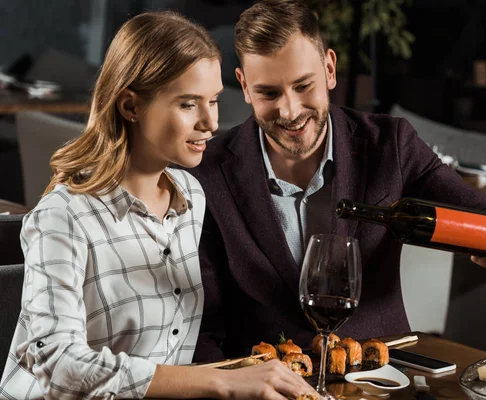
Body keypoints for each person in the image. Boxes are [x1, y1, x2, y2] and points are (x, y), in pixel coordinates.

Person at [189, 0, 486, 361]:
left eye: (303, 85)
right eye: (268, 93)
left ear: (329, 68)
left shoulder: (391, 144)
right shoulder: (207, 171)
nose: (289, 111)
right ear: (245, 87)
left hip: (379, 378)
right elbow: (201, 324)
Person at [0, 11, 317, 400]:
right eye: (188, 104)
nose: (210, 122)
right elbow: (56, 360)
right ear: (130, 106)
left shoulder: (192, 198)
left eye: (214, 101)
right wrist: (220, 383)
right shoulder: (64, 216)